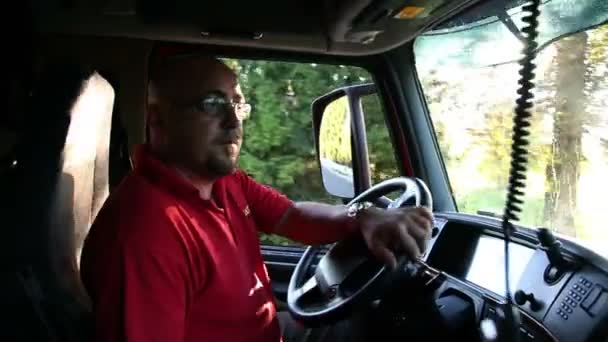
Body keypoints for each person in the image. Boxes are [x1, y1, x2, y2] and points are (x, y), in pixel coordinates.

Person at [79, 46, 434, 342]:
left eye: (237, 103)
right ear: (158, 121)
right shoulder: (146, 232)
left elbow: (294, 216)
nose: (234, 122)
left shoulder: (225, 182)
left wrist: (363, 216)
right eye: (212, 104)